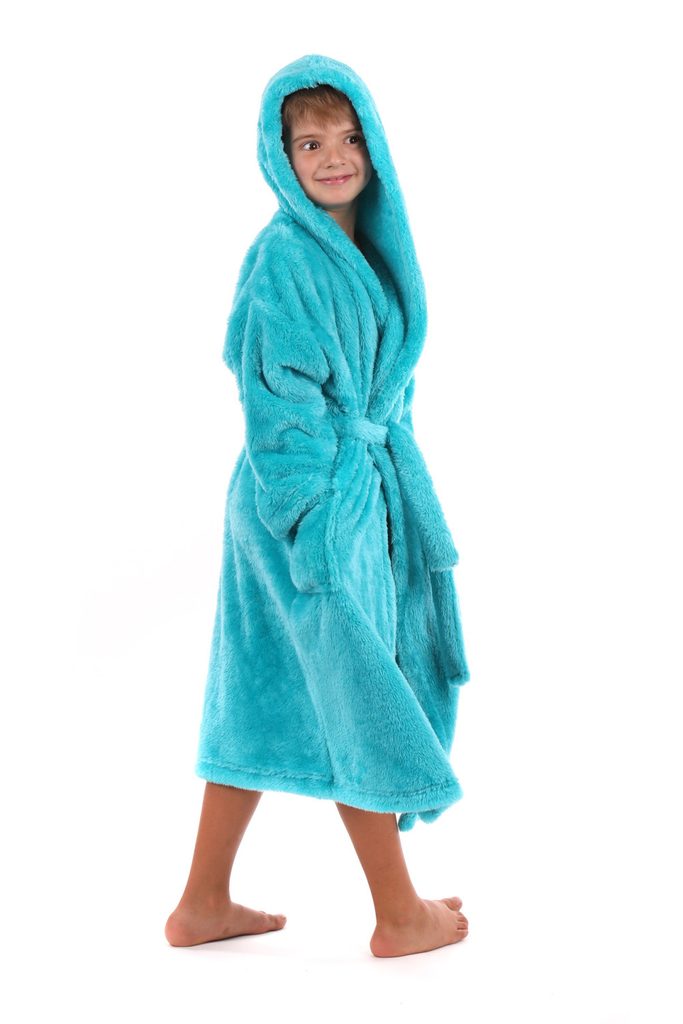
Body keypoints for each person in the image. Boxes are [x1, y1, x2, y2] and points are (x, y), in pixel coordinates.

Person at [165, 54, 471, 958]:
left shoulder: (368, 248)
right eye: (309, 143)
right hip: (304, 512)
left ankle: (201, 904)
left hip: (343, 497)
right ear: (279, 156)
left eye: (347, 138)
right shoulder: (283, 259)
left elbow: (386, 391)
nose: (332, 157)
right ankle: (399, 913)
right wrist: (312, 525)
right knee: (360, 690)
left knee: (258, 700)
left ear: (373, 147)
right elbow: (275, 404)